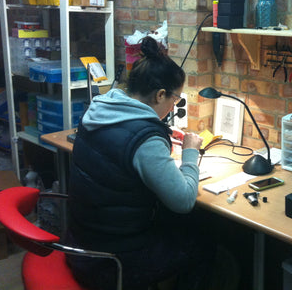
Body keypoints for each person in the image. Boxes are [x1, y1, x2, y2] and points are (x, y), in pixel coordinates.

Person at [66, 36, 214, 290]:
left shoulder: (99, 109)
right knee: (204, 241)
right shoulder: (145, 140)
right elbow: (184, 200)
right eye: (175, 100)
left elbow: (123, 140)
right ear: (160, 95)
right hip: (111, 262)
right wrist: (191, 152)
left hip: (80, 244)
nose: (173, 106)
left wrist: (159, 132)